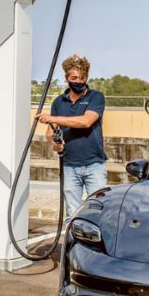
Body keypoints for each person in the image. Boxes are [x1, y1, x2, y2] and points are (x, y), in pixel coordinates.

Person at [36, 54, 107, 219]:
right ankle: (72, 244)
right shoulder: (59, 102)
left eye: (82, 78)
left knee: (97, 211)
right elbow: (50, 132)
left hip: (93, 165)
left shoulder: (95, 97)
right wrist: (54, 144)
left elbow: (86, 122)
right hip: (69, 166)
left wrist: (53, 118)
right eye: (74, 77)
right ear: (66, 78)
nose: (79, 81)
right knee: (72, 214)